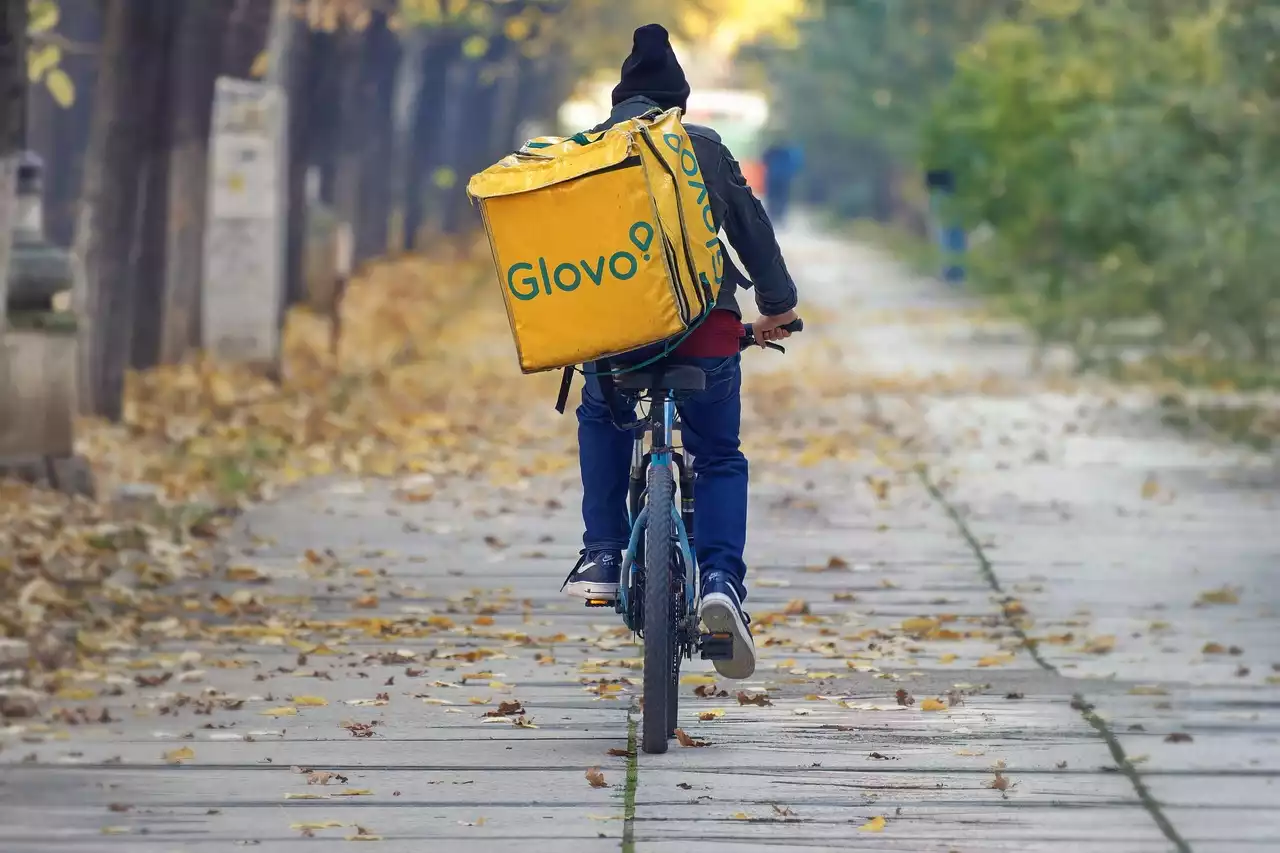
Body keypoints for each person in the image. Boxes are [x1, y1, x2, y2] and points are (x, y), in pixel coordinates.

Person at [561, 24, 799, 680]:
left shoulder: (586, 154)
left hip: (619, 340)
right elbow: (752, 231)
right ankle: (721, 580)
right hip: (706, 331)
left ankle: (604, 552)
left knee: (601, 413)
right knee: (719, 454)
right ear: (678, 105)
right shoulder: (700, 147)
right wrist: (776, 307)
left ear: (618, 103)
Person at [762, 141, 802, 227]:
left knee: (773, 197)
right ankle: (779, 217)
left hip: (773, 177)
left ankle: (773, 217)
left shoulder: (771, 150)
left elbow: (764, 160)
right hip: (783, 178)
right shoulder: (787, 152)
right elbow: (794, 165)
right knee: (781, 198)